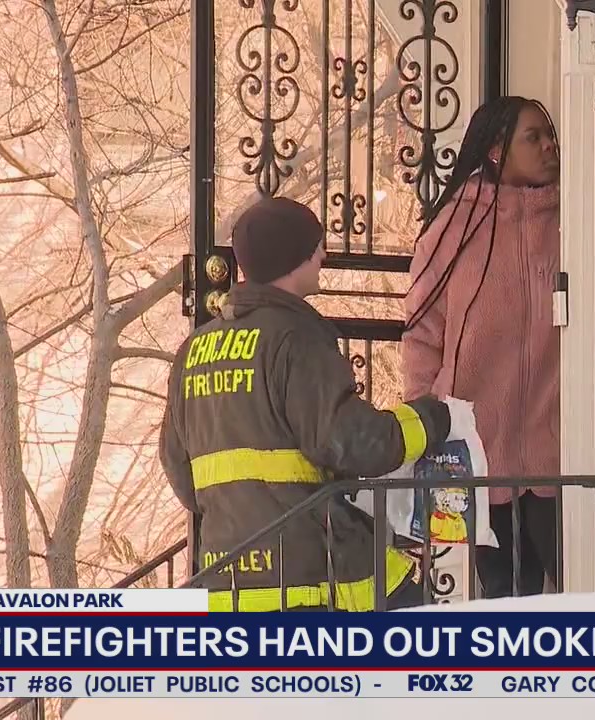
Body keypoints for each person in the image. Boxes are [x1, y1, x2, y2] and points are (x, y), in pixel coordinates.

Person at [159, 195, 451, 612]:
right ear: (295, 255)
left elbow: (178, 467)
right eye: (317, 247)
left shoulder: (194, 350)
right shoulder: (296, 338)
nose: (324, 255)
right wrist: (429, 418)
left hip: (230, 582)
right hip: (312, 574)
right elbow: (353, 443)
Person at [401, 96, 561, 599]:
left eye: (549, 134)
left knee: (582, 587)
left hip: (559, 448)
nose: (549, 146)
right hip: (478, 449)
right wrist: (425, 421)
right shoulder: (452, 228)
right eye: (532, 137)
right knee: (506, 598)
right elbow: (422, 332)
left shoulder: (573, 219)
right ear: (495, 150)